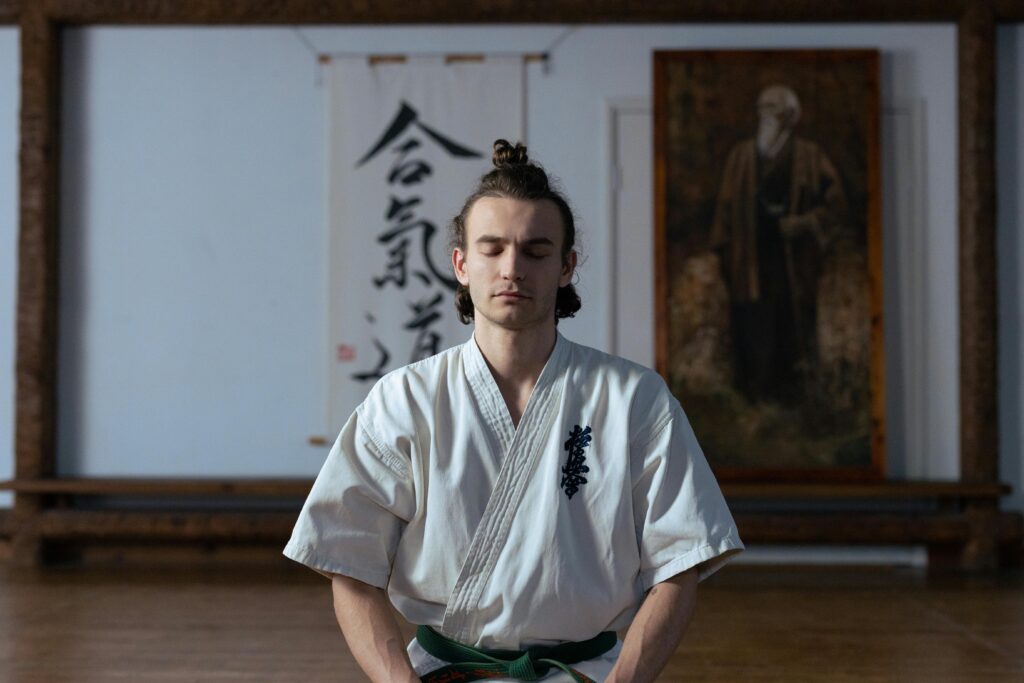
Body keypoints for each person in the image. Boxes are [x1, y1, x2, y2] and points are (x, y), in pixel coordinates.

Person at [284, 140, 744, 683]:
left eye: (535, 251)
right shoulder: (404, 400)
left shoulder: (634, 398)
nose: (512, 269)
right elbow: (350, 565)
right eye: (493, 249)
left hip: (587, 673)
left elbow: (679, 564)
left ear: (567, 266)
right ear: (461, 264)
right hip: (443, 673)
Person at [710, 84, 848, 404]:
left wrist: (804, 223)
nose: (765, 114)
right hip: (749, 261)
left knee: (792, 324)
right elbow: (724, 214)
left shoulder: (811, 156)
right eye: (762, 107)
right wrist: (726, 254)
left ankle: (795, 399)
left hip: (794, 263)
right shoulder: (741, 157)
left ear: (790, 115)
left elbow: (837, 207)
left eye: (772, 107)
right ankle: (752, 400)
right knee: (752, 324)